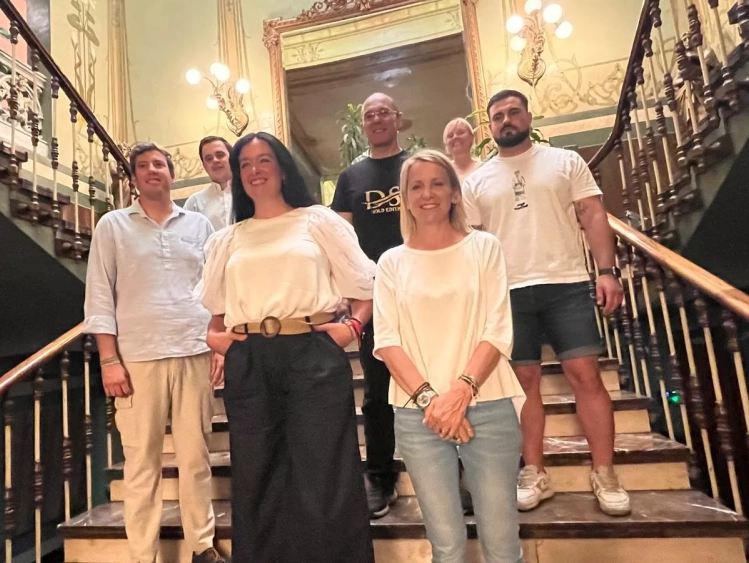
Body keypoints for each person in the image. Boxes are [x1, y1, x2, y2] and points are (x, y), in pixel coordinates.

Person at [197, 132, 375, 563]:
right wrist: (217, 340)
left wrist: (351, 327)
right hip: (250, 360)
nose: (255, 171)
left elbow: (368, 287)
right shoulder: (228, 239)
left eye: (264, 160)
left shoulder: (317, 222)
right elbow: (215, 317)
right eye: (245, 164)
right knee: (257, 473)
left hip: (311, 352)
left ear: (282, 167)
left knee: (325, 471)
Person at [462, 89, 630, 516]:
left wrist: (606, 271)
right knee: (523, 383)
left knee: (585, 376)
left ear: (528, 116)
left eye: (513, 112)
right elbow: (472, 245)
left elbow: (593, 215)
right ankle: (534, 471)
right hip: (508, 292)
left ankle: (605, 472)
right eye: (497, 116)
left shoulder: (565, 162)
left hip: (566, 283)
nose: (506, 120)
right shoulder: (476, 181)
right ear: (490, 126)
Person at [374, 149, 525, 563]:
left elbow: (498, 328)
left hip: (488, 404)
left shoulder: (484, 248)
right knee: (445, 545)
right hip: (417, 415)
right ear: (405, 199)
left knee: (501, 542)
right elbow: (387, 341)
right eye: (416, 187)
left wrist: (460, 393)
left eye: (437, 184)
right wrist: (433, 403)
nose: (428, 194)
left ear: (455, 193)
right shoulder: (391, 263)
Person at [83, 142, 228, 563]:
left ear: (172, 175)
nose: (152, 170)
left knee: (195, 459)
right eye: (143, 166)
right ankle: (143, 554)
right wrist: (109, 360)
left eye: (160, 164)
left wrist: (219, 344)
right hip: (137, 359)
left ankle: (202, 545)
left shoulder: (199, 225)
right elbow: (99, 295)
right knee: (141, 463)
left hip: (194, 351)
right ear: (133, 179)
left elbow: (216, 290)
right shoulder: (112, 225)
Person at [329, 92, 405, 518]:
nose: (376, 119)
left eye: (383, 113)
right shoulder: (351, 177)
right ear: (363, 124)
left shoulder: (417, 165)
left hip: (423, 291)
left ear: (397, 118)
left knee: (441, 377)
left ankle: (455, 471)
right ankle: (380, 475)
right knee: (377, 393)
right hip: (374, 298)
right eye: (369, 114)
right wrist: (347, 291)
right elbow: (341, 241)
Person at [184, 136, 234, 230]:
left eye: (220, 155)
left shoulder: (251, 193)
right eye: (208, 158)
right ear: (204, 166)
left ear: (232, 158)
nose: (215, 160)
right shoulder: (195, 203)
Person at [443, 117, 483, 181]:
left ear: (472, 137)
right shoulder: (443, 171)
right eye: (450, 136)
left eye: (460, 133)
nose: (455, 137)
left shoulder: (483, 168)